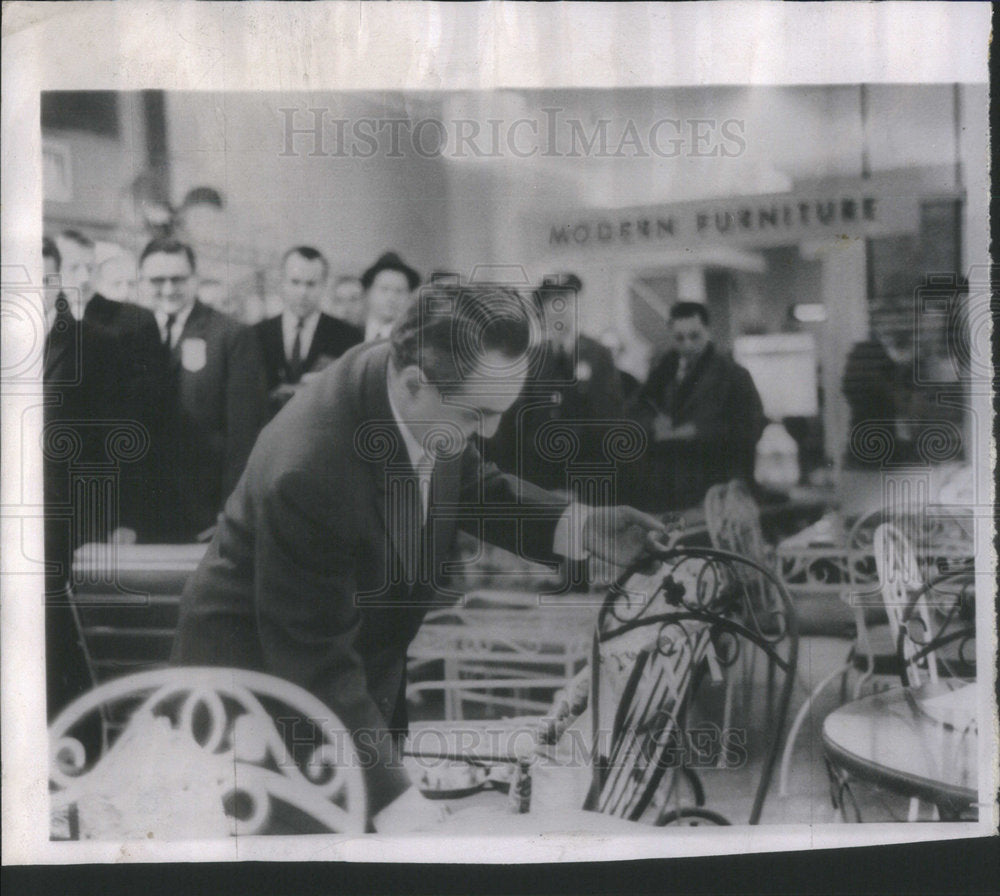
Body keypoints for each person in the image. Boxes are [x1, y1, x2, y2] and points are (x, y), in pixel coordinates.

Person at [172, 284, 667, 832]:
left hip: (339, 689)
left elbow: (472, 485)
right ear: (413, 385)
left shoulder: (412, 383)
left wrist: (584, 527)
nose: (491, 431)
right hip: (256, 712)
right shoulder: (310, 471)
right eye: (478, 415)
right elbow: (313, 660)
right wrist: (394, 800)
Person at [139, 238, 268, 542]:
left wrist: (230, 510)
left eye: (178, 279)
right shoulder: (129, 333)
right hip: (141, 511)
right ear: (142, 280)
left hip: (205, 511)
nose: (169, 289)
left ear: (195, 278)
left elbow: (245, 434)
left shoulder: (230, 336)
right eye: (158, 280)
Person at [55, 230, 163, 542]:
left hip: (105, 486)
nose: (85, 277)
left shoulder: (134, 322)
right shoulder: (41, 321)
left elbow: (140, 421)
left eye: (91, 267)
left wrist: (128, 514)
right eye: (73, 268)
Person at [483, 273, 627, 494]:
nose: (559, 309)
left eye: (566, 301)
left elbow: (608, 419)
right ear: (541, 311)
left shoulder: (599, 355)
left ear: (577, 306)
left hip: (585, 476)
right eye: (551, 302)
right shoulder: (531, 357)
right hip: (538, 477)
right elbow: (517, 422)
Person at [626, 301, 765, 512]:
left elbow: (751, 428)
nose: (688, 345)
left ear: (708, 332)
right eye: (679, 338)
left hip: (715, 492)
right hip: (667, 490)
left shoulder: (733, 375)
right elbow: (635, 410)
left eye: (695, 336)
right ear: (671, 335)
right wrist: (654, 426)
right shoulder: (662, 371)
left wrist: (697, 432)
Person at [254, 247, 363, 402]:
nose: (303, 292)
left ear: (324, 285)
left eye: (311, 284)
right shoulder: (256, 334)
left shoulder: (347, 336)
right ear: (282, 282)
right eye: (295, 282)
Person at [361, 251, 419, 342]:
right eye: (384, 289)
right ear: (368, 292)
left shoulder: (414, 339)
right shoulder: (349, 332)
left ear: (409, 296)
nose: (391, 298)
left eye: (399, 291)